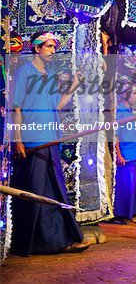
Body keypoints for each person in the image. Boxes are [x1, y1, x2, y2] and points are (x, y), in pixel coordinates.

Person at [10, 31, 89, 255]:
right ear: (37, 48)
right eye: (49, 47)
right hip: (33, 141)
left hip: (51, 139)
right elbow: (16, 107)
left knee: (56, 190)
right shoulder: (25, 72)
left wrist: (74, 85)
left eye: (54, 47)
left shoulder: (49, 74)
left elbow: (57, 106)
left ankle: (61, 240)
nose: (53, 51)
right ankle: (29, 244)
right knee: (34, 191)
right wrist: (18, 140)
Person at [114, 86, 136, 224]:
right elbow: (116, 135)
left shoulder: (129, 111)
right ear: (125, 94)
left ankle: (135, 214)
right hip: (126, 155)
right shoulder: (120, 111)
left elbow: (131, 134)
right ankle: (124, 216)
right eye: (134, 94)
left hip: (134, 154)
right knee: (127, 186)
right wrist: (118, 155)